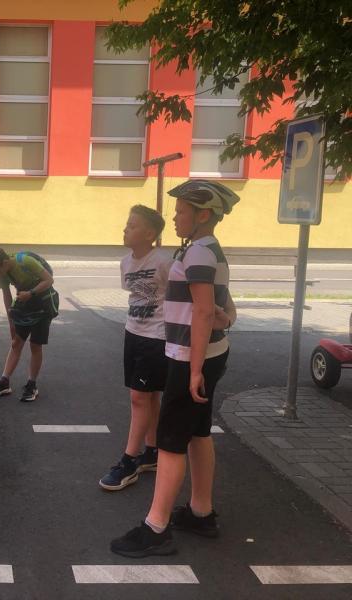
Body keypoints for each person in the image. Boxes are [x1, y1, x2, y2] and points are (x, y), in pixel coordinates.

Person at [111, 180, 239, 558]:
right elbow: (220, 306)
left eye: (182, 211)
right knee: (198, 433)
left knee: (169, 442)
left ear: (203, 215)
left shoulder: (198, 252)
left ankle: (156, 528)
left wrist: (194, 369)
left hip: (190, 357)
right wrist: (226, 319)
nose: (175, 217)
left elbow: (203, 310)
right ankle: (201, 512)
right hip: (208, 353)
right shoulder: (208, 249)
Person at [99, 206, 170, 491]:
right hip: (133, 333)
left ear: (150, 234)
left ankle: (129, 461)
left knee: (139, 397)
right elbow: (134, 297)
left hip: (157, 337)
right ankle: (152, 452)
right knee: (149, 396)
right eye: (126, 224)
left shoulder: (164, 262)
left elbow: (180, 299)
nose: (125, 229)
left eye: (132, 225)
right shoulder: (125, 263)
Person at [0, 247, 57, 402]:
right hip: (25, 305)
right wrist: (11, 321)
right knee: (16, 343)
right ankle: (4, 382)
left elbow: (49, 280)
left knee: (35, 345)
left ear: (3, 262)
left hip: (43, 306)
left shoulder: (25, 261)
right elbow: (6, 295)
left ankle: (32, 384)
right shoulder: (3, 273)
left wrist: (30, 293)